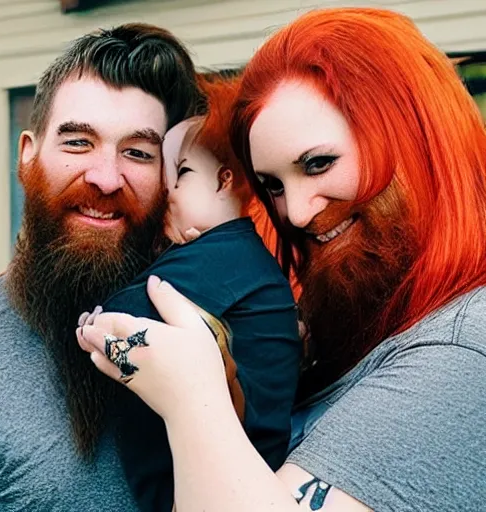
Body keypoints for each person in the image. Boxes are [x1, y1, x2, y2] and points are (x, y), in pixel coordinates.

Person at [78, 7, 486, 512]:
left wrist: (192, 399)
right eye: (272, 184)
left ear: (418, 139)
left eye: (319, 163)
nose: (295, 212)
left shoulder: (463, 349)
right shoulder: (376, 321)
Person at [0, 23, 200, 511]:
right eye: (77, 142)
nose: (104, 178)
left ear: (173, 179)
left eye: (138, 153)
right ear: (27, 157)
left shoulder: (215, 335)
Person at [79, 78, 301, 510]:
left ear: (224, 181)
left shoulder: (227, 253)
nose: (167, 195)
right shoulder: (230, 254)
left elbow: (121, 315)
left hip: (211, 479)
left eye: (180, 174)